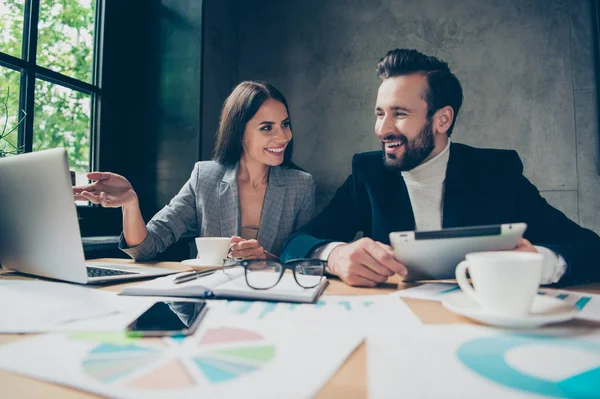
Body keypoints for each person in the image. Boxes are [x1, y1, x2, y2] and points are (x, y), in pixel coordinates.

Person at [281, 48, 600, 287]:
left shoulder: (497, 172)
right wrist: (334, 256)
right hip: (396, 329)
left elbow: (590, 250)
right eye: (380, 113)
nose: (382, 129)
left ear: (442, 119)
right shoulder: (368, 173)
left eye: (400, 114)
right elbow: (295, 244)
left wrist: (540, 263)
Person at [74, 81, 315, 261]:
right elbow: (146, 247)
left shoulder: (301, 185)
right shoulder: (205, 178)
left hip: (275, 306)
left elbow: (306, 260)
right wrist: (130, 205)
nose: (283, 136)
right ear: (239, 133)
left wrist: (267, 259)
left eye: (285, 124)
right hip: (209, 303)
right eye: (266, 128)